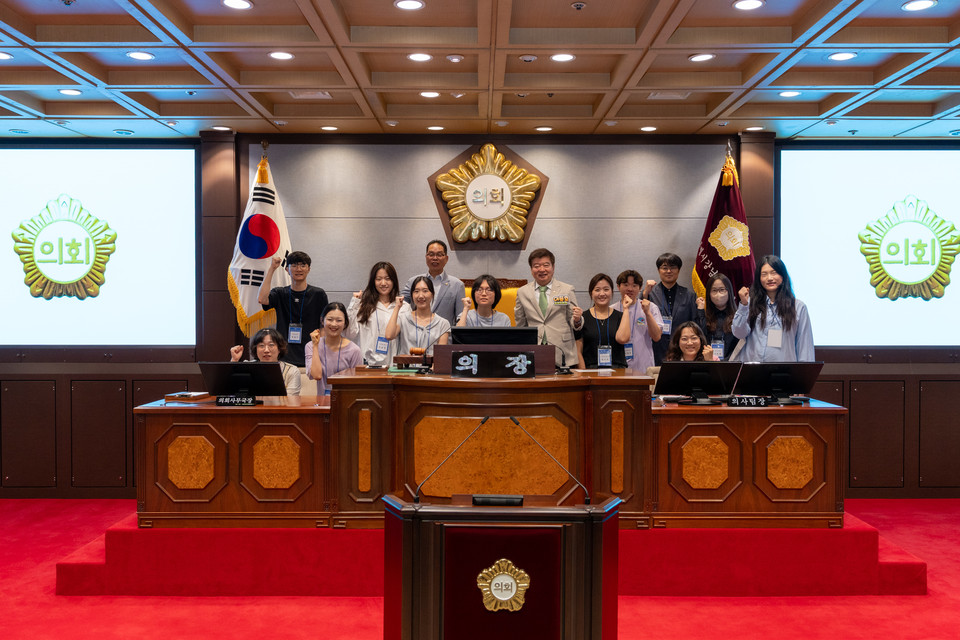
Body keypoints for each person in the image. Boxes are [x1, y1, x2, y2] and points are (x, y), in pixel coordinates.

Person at [733, 255, 815, 362]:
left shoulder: (798, 307)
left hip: (783, 372)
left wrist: (803, 375)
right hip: (752, 371)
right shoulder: (749, 303)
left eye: (774, 272)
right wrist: (743, 305)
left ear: (782, 275)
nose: (769, 278)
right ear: (758, 278)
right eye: (764, 274)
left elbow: (804, 347)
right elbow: (739, 333)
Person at [514, 248, 583, 367]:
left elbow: (574, 320)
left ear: (553, 267)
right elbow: (521, 324)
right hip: (534, 352)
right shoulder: (522, 292)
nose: (541, 269)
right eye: (536, 266)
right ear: (531, 269)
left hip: (562, 352)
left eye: (546, 265)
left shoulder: (566, 289)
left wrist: (577, 320)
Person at [258, 251, 328, 368]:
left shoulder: (318, 294)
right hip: (284, 358)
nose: (298, 269)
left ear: (308, 269)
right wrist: (272, 269)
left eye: (302, 265)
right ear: (287, 269)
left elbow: (323, 327)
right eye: (294, 265)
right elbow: (262, 299)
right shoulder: (280, 293)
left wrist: (319, 352)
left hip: (310, 357)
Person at [346, 261, 401, 367]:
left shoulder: (403, 306)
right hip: (367, 365)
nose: (383, 283)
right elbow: (349, 333)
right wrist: (354, 303)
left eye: (388, 278)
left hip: (393, 366)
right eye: (378, 279)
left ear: (394, 281)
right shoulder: (363, 305)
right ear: (373, 281)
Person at [400, 239, 465, 327]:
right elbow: (400, 305)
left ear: (446, 259)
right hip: (415, 335)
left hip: (443, 336)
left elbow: (460, 316)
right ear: (426, 257)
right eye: (431, 254)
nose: (435, 258)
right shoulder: (413, 281)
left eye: (439, 254)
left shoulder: (457, 285)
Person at [648, 252, 698, 366]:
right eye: (665, 268)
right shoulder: (650, 294)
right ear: (658, 270)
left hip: (682, 350)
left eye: (673, 268)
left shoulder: (689, 295)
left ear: (678, 270)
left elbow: (694, 324)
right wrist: (644, 294)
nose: (669, 271)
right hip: (656, 348)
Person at [575, 273, 633, 369]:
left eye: (606, 289)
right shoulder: (583, 318)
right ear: (591, 293)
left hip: (617, 371)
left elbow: (623, 339)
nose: (602, 294)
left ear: (611, 292)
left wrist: (626, 308)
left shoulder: (620, 316)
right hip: (591, 371)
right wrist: (584, 375)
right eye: (597, 290)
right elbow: (578, 352)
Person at [305, 302, 362, 396]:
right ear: (322, 320)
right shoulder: (310, 346)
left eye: (339, 320)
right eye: (330, 319)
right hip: (321, 404)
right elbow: (316, 375)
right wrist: (315, 345)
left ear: (345, 323)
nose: (334, 324)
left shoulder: (354, 350)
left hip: (345, 403)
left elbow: (356, 384)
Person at [612, 269, 663, 373]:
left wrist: (647, 313)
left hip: (643, 365)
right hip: (617, 365)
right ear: (618, 286)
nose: (630, 289)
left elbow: (657, 337)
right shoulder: (612, 310)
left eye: (634, 285)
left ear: (640, 288)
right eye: (626, 284)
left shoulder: (651, 307)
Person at [386, 275, 451, 356]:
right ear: (412, 295)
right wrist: (397, 307)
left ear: (432, 294)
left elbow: (441, 356)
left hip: (430, 368)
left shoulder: (443, 324)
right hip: (405, 368)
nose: (420, 296)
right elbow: (389, 335)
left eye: (425, 291)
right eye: (416, 291)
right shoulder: (403, 318)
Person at [229, 327, 301, 396]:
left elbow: (291, 399)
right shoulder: (247, 367)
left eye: (271, 345)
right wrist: (234, 360)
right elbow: (230, 389)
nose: (266, 350)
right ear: (255, 349)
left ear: (279, 349)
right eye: (261, 345)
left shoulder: (291, 371)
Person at [695, 273, 739, 361]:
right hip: (707, 363)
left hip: (732, 364)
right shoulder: (704, 315)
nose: (718, 294)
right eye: (714, 290)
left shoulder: (738, 316)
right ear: (709, 293)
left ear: (729, 291)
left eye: (722, 290)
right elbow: (699, 336)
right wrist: (700, 310)